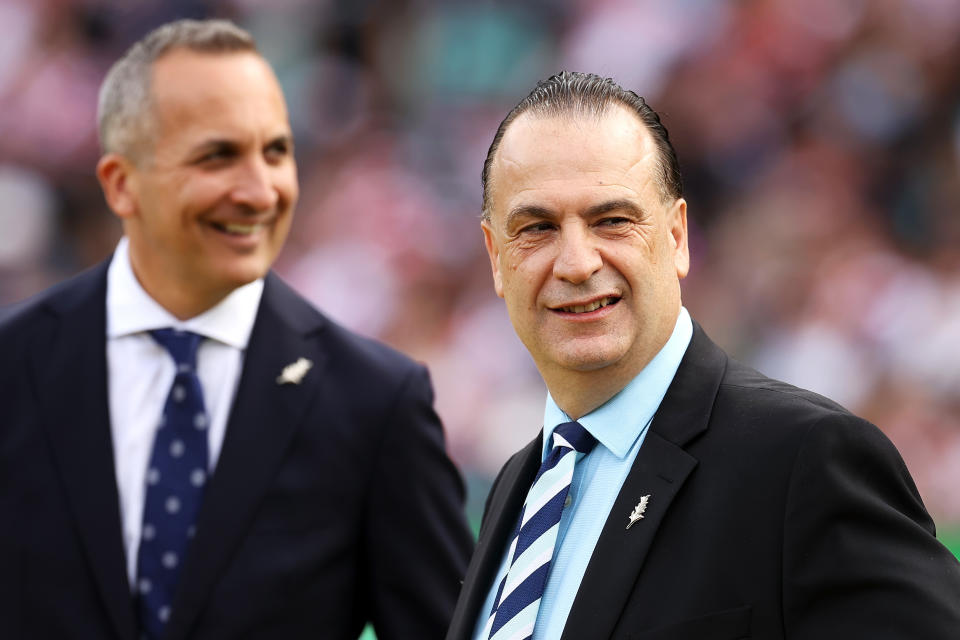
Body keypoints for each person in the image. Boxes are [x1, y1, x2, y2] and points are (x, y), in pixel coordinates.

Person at [0, 19, 472, 640]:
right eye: (216, 155)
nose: (260, 191)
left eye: (276, 151)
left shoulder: (375, 403)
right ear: (122, 184)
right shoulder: (15, 366)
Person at [445, 71, 960, 640]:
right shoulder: (519, 484)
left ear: (677, 237)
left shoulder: (803, 459)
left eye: (612, 221)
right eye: (537, 227)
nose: (576, 263)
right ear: (496, 258)